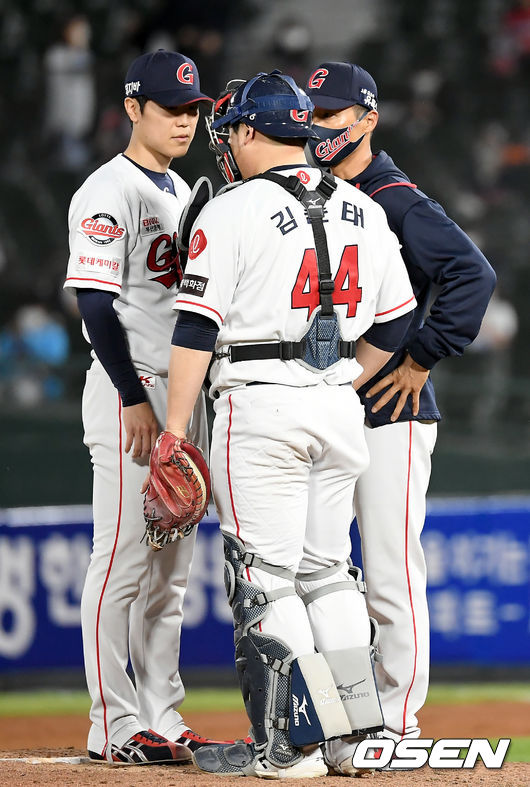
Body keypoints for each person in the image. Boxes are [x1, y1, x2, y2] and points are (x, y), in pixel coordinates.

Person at [154, 70, 418, 778]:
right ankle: (350, 738)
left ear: (245, 131)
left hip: (260, 400)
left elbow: (194, 327)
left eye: (229, 130)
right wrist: (337, 379)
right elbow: (397, 321)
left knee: (265, 579)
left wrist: (175, 430)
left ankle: (293, 746)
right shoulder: (363, 208)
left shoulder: (232, 209)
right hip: (337, 406)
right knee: (329, 574)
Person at [305, 61, 496, 768]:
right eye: (313, 114)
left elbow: (473, 272)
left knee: (388, 569)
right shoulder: (319, 193)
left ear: (367, 119)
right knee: (328, 570)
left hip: (394, 408)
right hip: (332, 406)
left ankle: (400, 718)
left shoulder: (390, 195)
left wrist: (420, 358)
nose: (320, 126)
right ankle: (350, 716)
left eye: (331, 115)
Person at [64, 49, 229, 765]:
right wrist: (132, 395)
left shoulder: (180, 187)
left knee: (171, 573)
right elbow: (96, 305)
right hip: (132, 388)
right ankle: (113, 722)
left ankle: (163, 710)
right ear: (133, 109)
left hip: (182, 392)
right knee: (124, 559)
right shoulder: (109, 190)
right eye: (171, 108)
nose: (185, 120)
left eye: (193, 109)